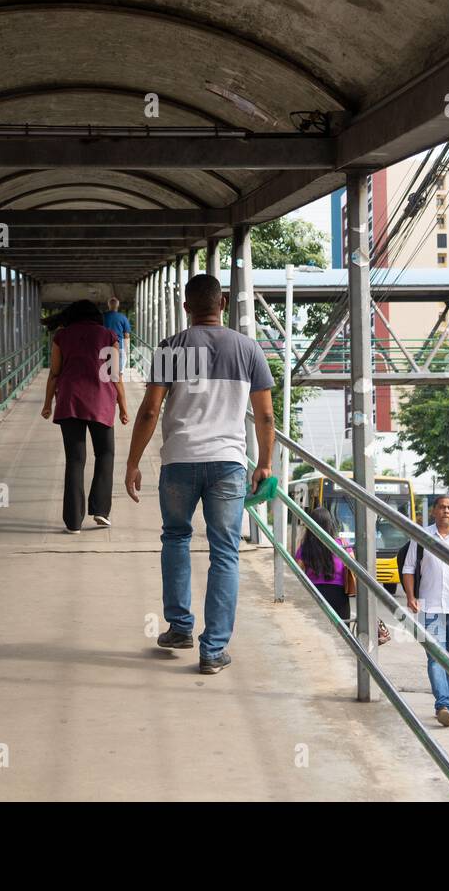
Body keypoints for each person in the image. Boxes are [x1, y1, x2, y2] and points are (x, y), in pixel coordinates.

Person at [124, 273, 274, 675]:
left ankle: (179, 627)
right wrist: (264, 464)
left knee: (175, 537)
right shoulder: (248, 349)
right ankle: (214, 650)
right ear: (223, 303)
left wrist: (133, 461)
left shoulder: (171, 349)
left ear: (187, 308)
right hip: (228, 464)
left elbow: (151, 411)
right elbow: (265, 415)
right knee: (225, 552)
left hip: (178, 461)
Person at [41, 300, 129, 533]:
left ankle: (73, 522)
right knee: (106, 453)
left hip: (69, 400)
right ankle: (100, 509)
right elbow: (114, 374)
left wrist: (47, 403)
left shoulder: (62, 336)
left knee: (75, 460)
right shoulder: (109, 335)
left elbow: (55, 373)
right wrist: (123, 406)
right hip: (101, 400)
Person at [401, 495, 449, 727]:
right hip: (431, 608)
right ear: (434, 511)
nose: (446, 511)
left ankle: (447, 705)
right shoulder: (422, 537)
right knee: (435, 658)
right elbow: (408, 568)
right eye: (442, 507)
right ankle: (443, 705)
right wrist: (410, 596)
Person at [295, 506, 352, 622]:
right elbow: (353, 567)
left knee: (317, 629)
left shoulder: (305, 547)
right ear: (330, 523)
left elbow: (297, 572)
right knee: (342, 633)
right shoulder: (342, 544)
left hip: (314, 593)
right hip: (339, 595)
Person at [102, 297, 132, 376]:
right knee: (119, 371)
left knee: (104, 370)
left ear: (108, 305)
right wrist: (126, 349)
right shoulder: (123, 317)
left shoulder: (102, 317)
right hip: (119, 346)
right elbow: (126, 335)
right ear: (118, 305)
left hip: (103, 345)